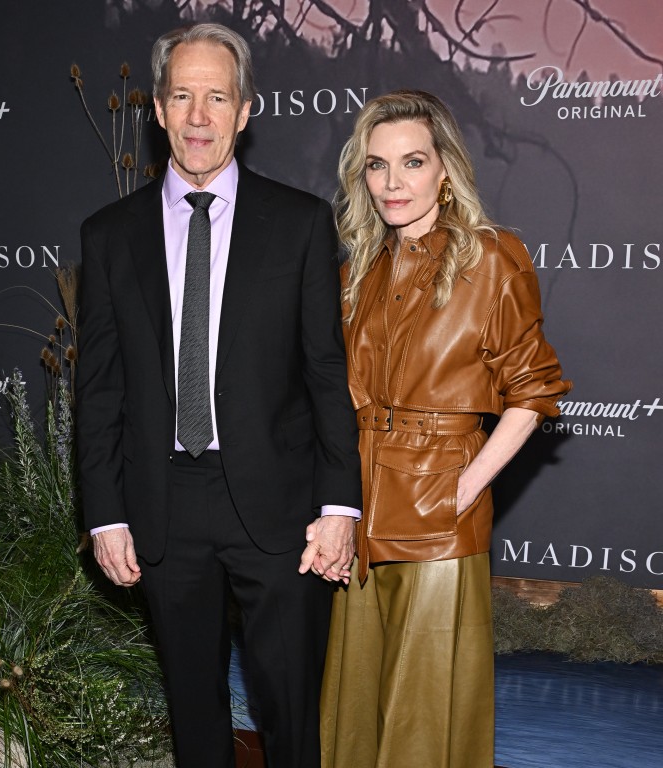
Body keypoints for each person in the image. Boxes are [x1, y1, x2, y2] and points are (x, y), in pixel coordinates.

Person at [75, 23, 362, 768]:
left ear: (244, 111)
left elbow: (327, 374)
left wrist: (339, 507)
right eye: (182, 96)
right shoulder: (109, 235)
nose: (199, 116)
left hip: (281, 510)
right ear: (159, 111)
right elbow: (99, 387)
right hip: (163, 505)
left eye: (217, 97)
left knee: (290, 715)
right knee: (193, 716)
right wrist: (104, 512)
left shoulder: (300, 225)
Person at [320, 90, 571, 768]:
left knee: (424, 727)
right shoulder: (356, 274)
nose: (393, 183)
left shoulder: (492, 258)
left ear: (444, 169)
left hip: (438, 517)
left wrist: (462, 491)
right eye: (376, 166)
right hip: (364, 515)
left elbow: (534, 392)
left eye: (412, 162)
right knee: (352, 720)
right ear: (361, 176)